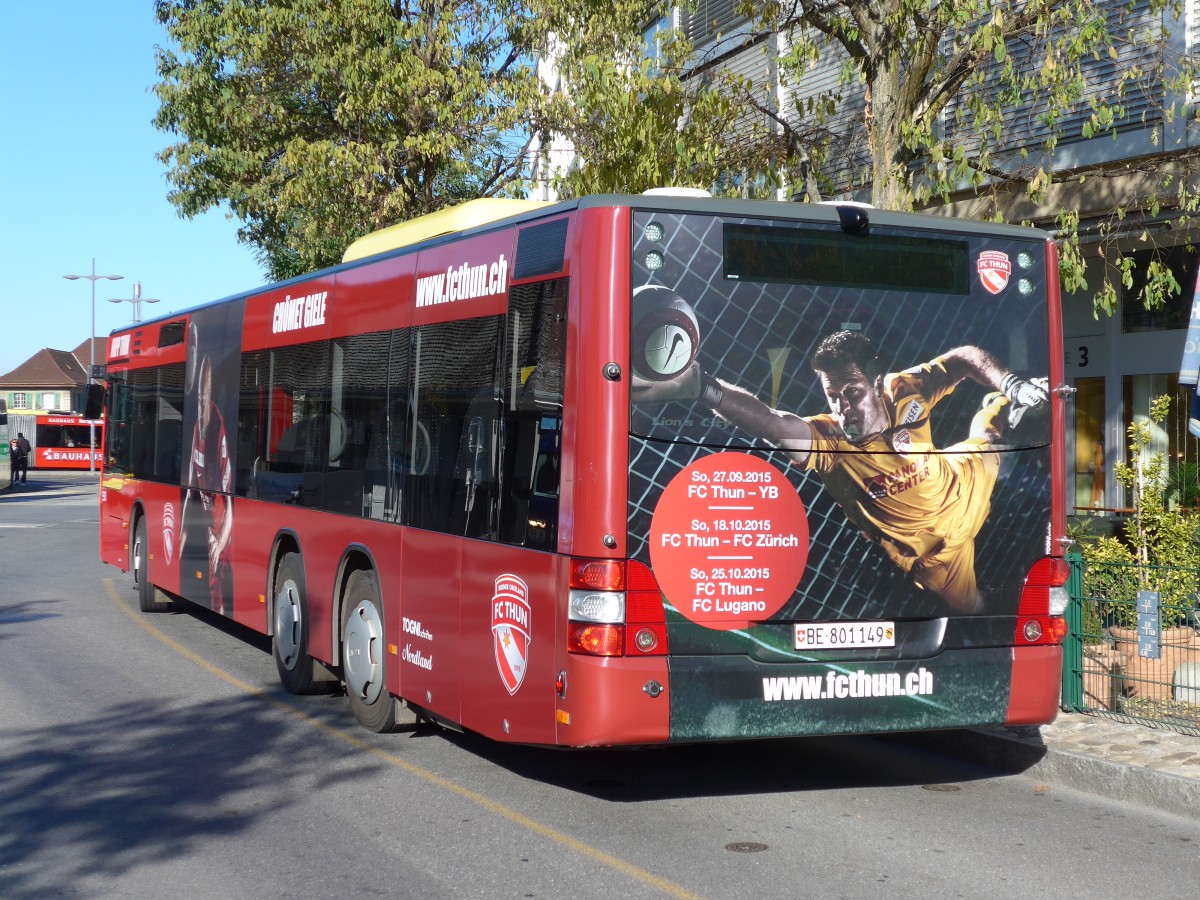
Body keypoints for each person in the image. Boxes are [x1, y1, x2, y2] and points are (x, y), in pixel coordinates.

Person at [635, 329, 1048, 613]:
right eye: (833, 396)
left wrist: (1010, 382)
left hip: (962, 480)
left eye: (851, 393)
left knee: (998, 433)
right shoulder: (829, 442)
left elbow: (962, 358)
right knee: (972, 611)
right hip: (936, 553)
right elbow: (774, 422)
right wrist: (704, 388)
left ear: (876, 382)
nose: (843, 407)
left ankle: (1014, 400)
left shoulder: (904, 390)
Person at [179, 354, 233, 613]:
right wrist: (180, 542)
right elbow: (189, 493)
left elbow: (231, 504)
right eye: (198, 400)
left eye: (204, 400)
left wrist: (219, 543)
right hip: (208, 531)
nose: (201, 408)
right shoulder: (195, 430)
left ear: (210, 397)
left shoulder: (219, 429)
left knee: (221, 600)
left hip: (223, 537)